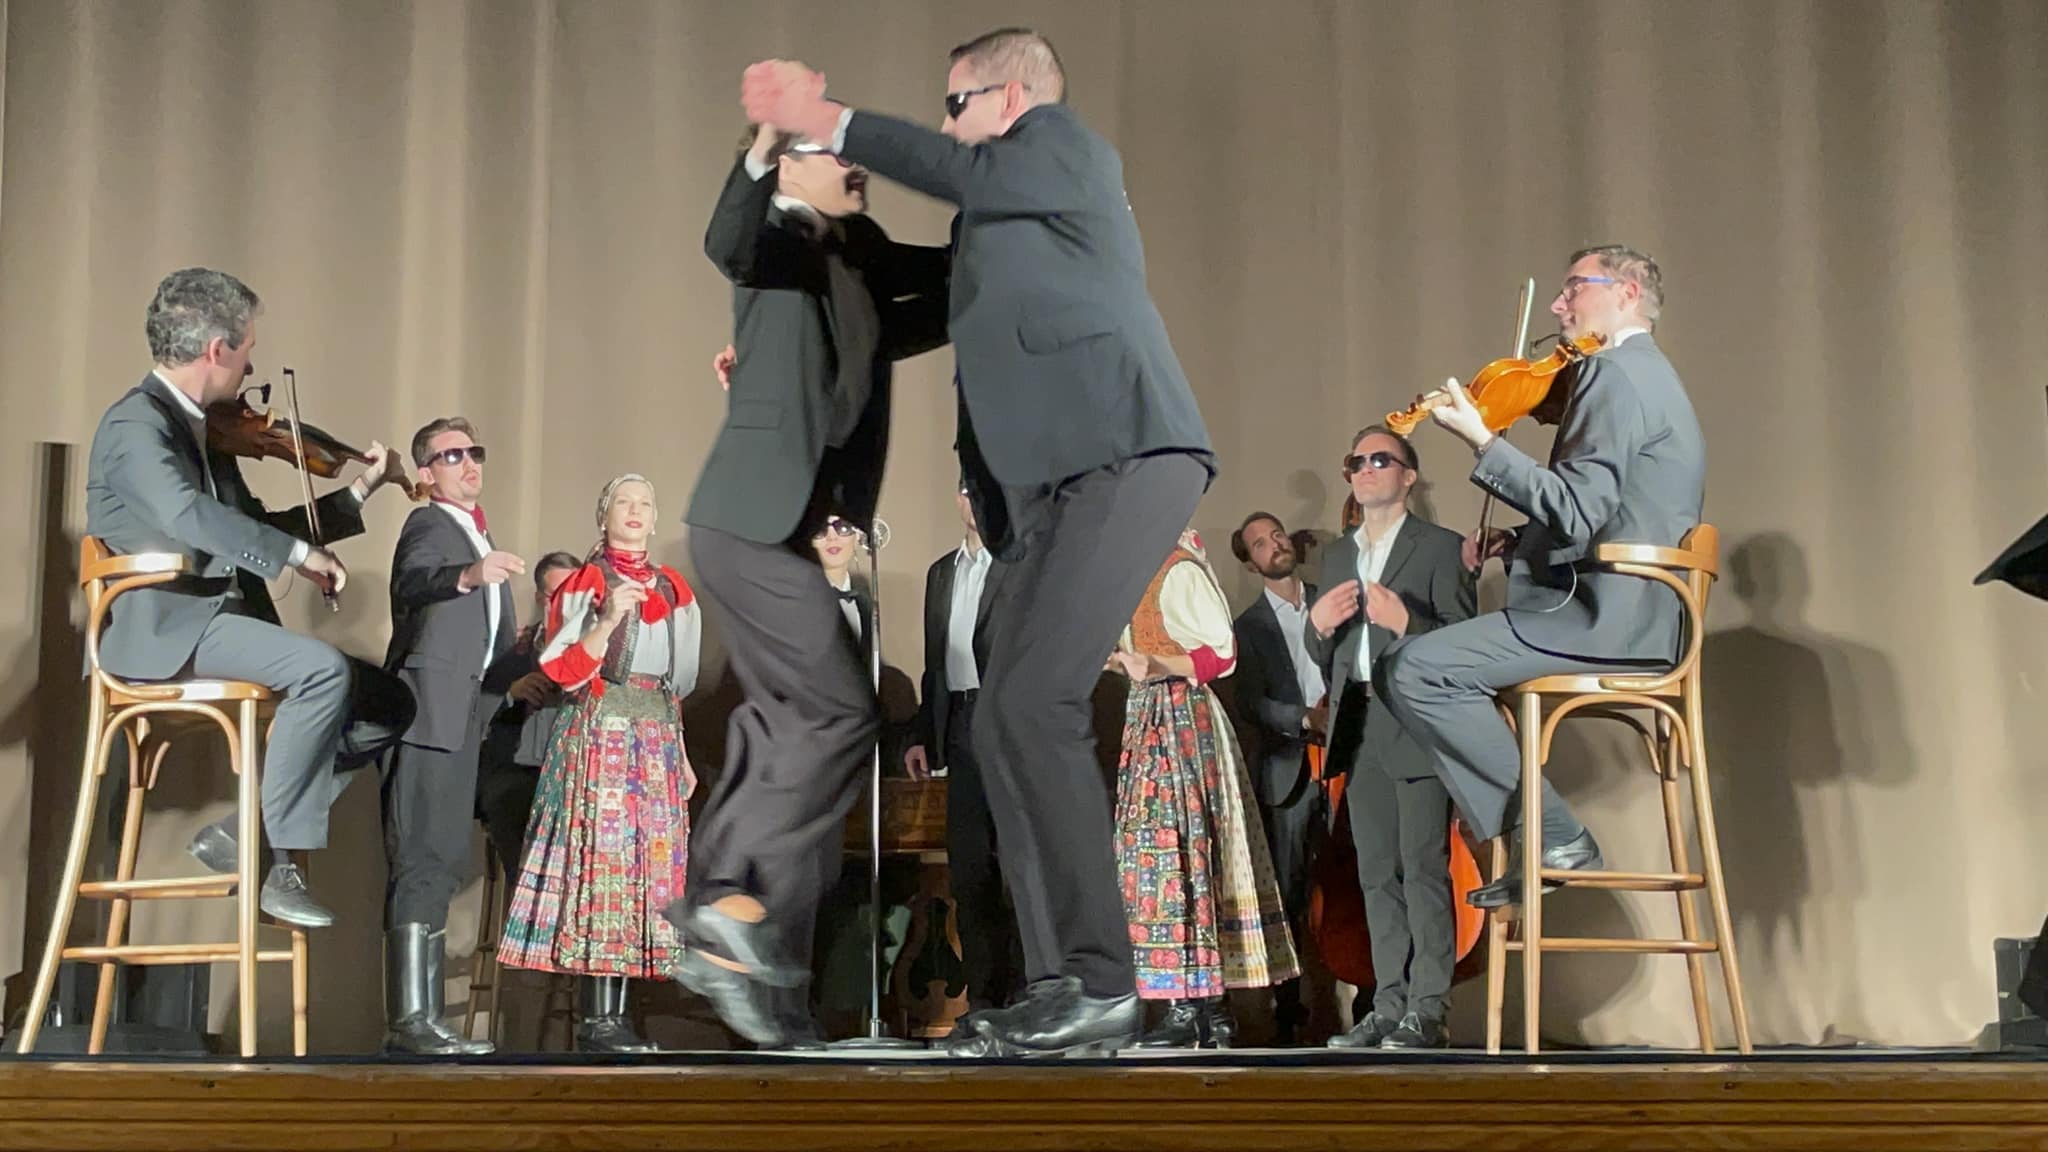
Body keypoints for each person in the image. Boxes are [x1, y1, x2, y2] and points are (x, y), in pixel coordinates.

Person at [743, 27, 1215, 1057]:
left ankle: (1100, 982)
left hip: (1125, 452)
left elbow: (962, 173)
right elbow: (897, 303)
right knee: (1005, 716)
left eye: (955, 102)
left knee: (1033, 703)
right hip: (1053, 490)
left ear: (1008, 100)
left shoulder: (1063, 151)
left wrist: (826, 119)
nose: (946, 121)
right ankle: (1065, 986)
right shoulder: (999, 231)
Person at [665, 117, 949, 1049]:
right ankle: (719, 903)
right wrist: (756, 151)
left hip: (783, 531)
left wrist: (1027, 238)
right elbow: (727, 239)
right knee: (835, 712)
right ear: (786, 166)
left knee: (786, 724)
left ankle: (747, 948)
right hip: (745, 520)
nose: (857, 162)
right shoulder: (768, 240)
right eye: (833, 151)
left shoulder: (852, 254)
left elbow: (940, 290)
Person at [83, 267, 415, 928]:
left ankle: (244, 833)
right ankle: (273, 865)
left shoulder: (206, 436)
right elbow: (187, 514)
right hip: (166, 631)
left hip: (217, 624)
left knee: (388, 703)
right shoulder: (134, 425)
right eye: (247, 351)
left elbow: (256, 529)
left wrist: (358, 494)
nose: (251, 368)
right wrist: (299, 557)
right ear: (217, 349)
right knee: (321, 671)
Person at [1379, 245, 1704, 909]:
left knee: (1415, 669)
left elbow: (1580, 510)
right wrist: (1521, 539)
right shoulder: (1650, 374)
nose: (1558, 306)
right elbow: (1614, 509)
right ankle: (1539, 835)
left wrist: (1483, 441)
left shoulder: (1613, 374)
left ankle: (1553, 835)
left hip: (1607, 619)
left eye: (1573, 289)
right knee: (1417, 665)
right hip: (1644, 615)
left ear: (1627, 293)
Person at [499, 475, 700, 1054]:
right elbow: (561, 669)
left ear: (656, 519)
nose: (635, 511)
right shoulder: (586, 583)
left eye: (645, 503)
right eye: (623, 503)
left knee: (642, 872)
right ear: (603, 516)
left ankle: (617, 1016)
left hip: (654, 738)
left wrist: (680, 752)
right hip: (600, 731)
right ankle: (598, 1018)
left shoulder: (674, 588)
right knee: (601, 866)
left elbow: (675, 683)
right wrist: (607, 618)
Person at [1305, 427, 1473, 1050]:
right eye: (1358, 461)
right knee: (1375, 874)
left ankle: (1427, 1010)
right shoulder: (1336, 556)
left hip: (1416, 724)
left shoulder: (1441, 548)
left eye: (1383, 459)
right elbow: (1325, 652)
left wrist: (1408, 624)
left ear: (1408, 475)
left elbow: (1467, 644)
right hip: (1359, 725)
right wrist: (1316, 628)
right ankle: (1387, 1006)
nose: (1368, 468)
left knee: (1423, 868)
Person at [1111, 527, 1298, 1049]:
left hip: (1181, 718)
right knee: (1159, 858)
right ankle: (1203, 1010)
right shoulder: (1129, 573)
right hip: (1148, 716)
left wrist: (1157, 664)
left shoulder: (1178, 569)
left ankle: (1195, 1007)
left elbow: (1221, 654)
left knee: (1186, 851)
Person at [377, 416, 525, 1055]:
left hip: (464, 718)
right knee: (422, 857)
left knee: (443, 857)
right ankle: (410, 1021)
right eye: (451, 455)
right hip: (428, 713)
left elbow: (493, 652)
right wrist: (468, 574)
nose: (468, 464)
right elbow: (413, 582)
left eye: (474, 452)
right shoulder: (429, 525)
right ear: (426, 473)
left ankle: (423, 1020)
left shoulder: (477, 534)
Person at [905, 484, 1017, 1025]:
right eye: (968, 490)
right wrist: (925, 734)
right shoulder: (941, 573)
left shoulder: (1021, 564)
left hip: (1012, 729)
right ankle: (983, 1005)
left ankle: (1027, 999)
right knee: (970, 870)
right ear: (958, 499)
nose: (975, 502)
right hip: (961, 729)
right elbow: (936, 666)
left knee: (1017, 869)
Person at [1226, 511, 1324, 1045]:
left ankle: (1374, 1001)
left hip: (1346, 762)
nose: (1274, 545)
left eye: (1277, 534)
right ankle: (1289, 1013)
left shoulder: (1332, 601)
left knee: (1361, 880)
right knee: (1288, 893)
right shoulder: (1247, 627)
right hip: (1289, 769)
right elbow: (1251, 702)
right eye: (1260, 544)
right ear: (1251, 564)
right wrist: (1305, 719)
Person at [475, 551, 583, 890]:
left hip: (576, 777)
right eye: (556, 596)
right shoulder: (514, 648)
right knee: (516, 811)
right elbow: (474, 710)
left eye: (573, 595)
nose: (565, 605)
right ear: (540, 599)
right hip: (516, 775)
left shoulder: (597, 649)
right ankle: (528, 905)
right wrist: (512, 692)